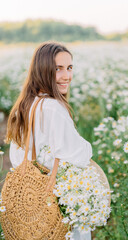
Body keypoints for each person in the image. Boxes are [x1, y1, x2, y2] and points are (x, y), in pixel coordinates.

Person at [5, 42, 93, 240]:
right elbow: (79, 155)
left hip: (33, 203)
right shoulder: (54, 108)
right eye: (58, 69)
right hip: (57, 202)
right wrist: (87, 146)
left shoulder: (27, 104)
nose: (66, 76)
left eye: (69, 68)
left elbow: (18, 158)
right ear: (43, 70)